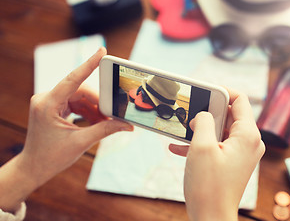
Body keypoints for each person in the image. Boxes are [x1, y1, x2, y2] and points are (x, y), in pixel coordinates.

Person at [0, 48, 265, 221]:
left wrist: (29, 167)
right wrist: (215, 213)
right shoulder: (131, 104)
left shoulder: (166, 114)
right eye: (137, 90)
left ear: (161, 107)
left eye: (142, 95)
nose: (132, 94)